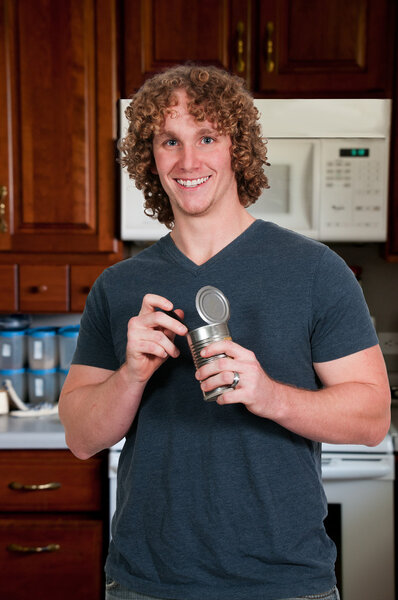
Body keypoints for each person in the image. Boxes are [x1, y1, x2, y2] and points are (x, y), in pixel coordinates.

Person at [59, 64, 391, 600]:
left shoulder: (316, 271)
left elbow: (373, 417)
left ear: (237, 148)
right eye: (171, 141)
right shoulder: (119, 287)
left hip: (285, 581)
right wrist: (131, 374)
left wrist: (271, 396)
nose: (189, 161)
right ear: (151, 157)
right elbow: (80, 437)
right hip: (148, 582)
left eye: (207, 137)